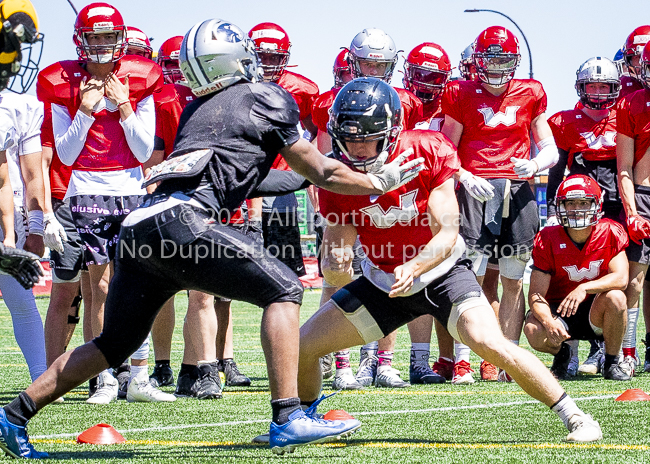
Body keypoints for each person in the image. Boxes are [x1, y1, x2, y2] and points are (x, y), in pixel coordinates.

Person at [0, 18, 423, 458]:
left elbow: (261, 181)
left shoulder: (196, 112)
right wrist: (375, 182)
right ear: (237, 57)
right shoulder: (267, 97)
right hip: (183, 222)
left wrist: (326, 174)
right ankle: (287, 417)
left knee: (113, 344)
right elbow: (320, 171)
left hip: (139, 227)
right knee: (285, 289)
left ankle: (13, 416)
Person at [295, 77, 603, 447]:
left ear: (392, 133)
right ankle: (304, 421)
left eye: (367, 138)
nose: (357, 149)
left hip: (442, 275)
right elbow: (337, 259)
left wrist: (415, 266)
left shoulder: (428, 150)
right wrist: (336, 264)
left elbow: (446, 235)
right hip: (383, 282)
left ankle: (576, 416)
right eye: (350, 138)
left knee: (491, 343)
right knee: (305, 345)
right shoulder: (337, 177)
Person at [36, 2, 165, 404]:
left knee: (139, 284)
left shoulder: (141, 79)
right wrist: (87, 111)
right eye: (96, 38)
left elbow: (145, 149)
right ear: (81, 41)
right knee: (99, 287)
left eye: (110, 37)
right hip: (86, 189)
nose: (104, 45)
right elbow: (67, 154)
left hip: (130, 189)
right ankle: (106, 378)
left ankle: (139, 377)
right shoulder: (62, 83)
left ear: (121, 39)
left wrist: (124, 104)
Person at [441, 26, 559, 383]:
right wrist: (463, 176)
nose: (496, 68)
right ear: (477, 60)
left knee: (513, 278)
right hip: (476, 190)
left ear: (514, 61)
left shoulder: (531, 92)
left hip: (519, 188)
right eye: (490, 59)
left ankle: (507, 358)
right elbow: (446, 149)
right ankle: (464, 358)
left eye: (503, 59)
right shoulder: (460, 91)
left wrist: (536, 164)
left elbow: (549, 147)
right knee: (470, 275)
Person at [546, 57, 621, 376]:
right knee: (572, 275)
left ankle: (612, 349)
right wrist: (552, 210)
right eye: (593, 85)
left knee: (617, 279)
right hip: (580, 207)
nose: (600, 92)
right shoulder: (564, 121)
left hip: (618, 206)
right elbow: (557, 170)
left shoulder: (625, 117)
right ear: (581, 87)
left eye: (605, 86)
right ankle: (573, 349)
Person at [525, 175, 630, 381]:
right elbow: (536, 294)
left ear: (596, 204)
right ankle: (562, 354)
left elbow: (621, 278)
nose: (577, 208)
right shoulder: (548, 237)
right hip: (561, 312)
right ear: (561, 206)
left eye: (583, 202)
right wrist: (548, 321)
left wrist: (584, 288)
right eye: (570, 203)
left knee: (617, 297)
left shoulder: (609, 231)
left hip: (596, 312)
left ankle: (611, 362)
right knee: (532, 328)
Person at [0, 0, 47, 386]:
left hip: (8, 212)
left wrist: (33, 225)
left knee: (21, 299)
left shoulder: (21, 106)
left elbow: (30, 174)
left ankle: (40, 379)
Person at [617, 41, 650, 375]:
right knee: (636, 282)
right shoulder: (631, 104)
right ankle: (628, 351)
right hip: (644, 195)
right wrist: (632, 211)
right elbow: (624, 167)